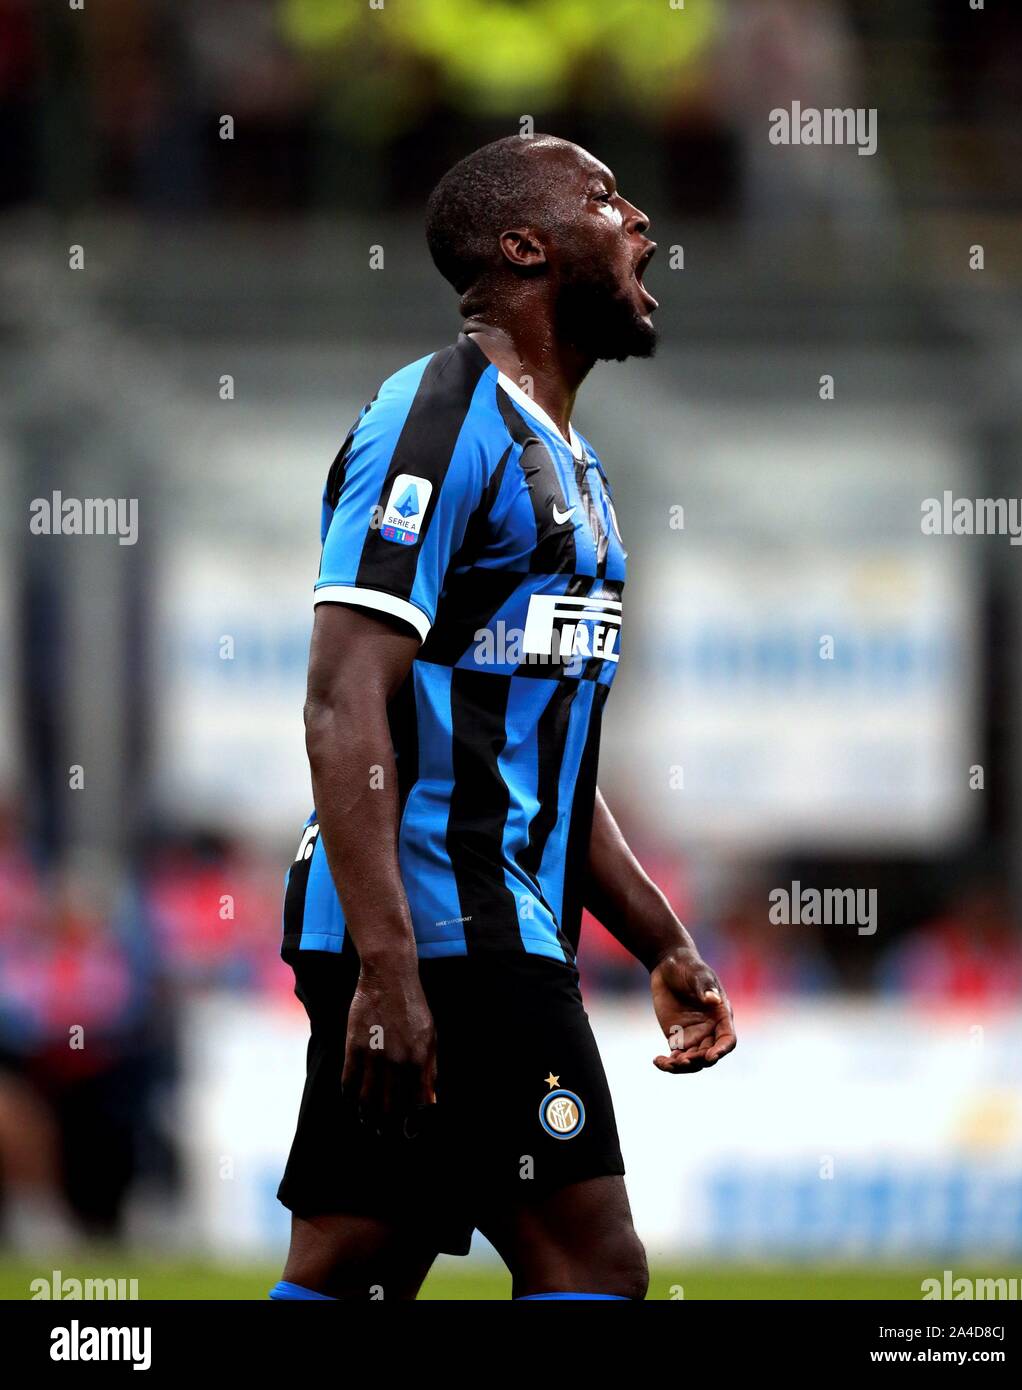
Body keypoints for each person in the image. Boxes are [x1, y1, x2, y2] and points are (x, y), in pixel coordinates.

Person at [271, 134, 736, 1303]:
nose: (641, 224)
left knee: (354, 1261)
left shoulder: (570, 462)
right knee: (591, 1260)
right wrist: (390, 969)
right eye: (605, 202)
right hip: (441, 926)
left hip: (474, 928)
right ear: (523, 248)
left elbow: (542, 768)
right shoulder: (434, 417)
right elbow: (342, 695)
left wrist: (661, 942)